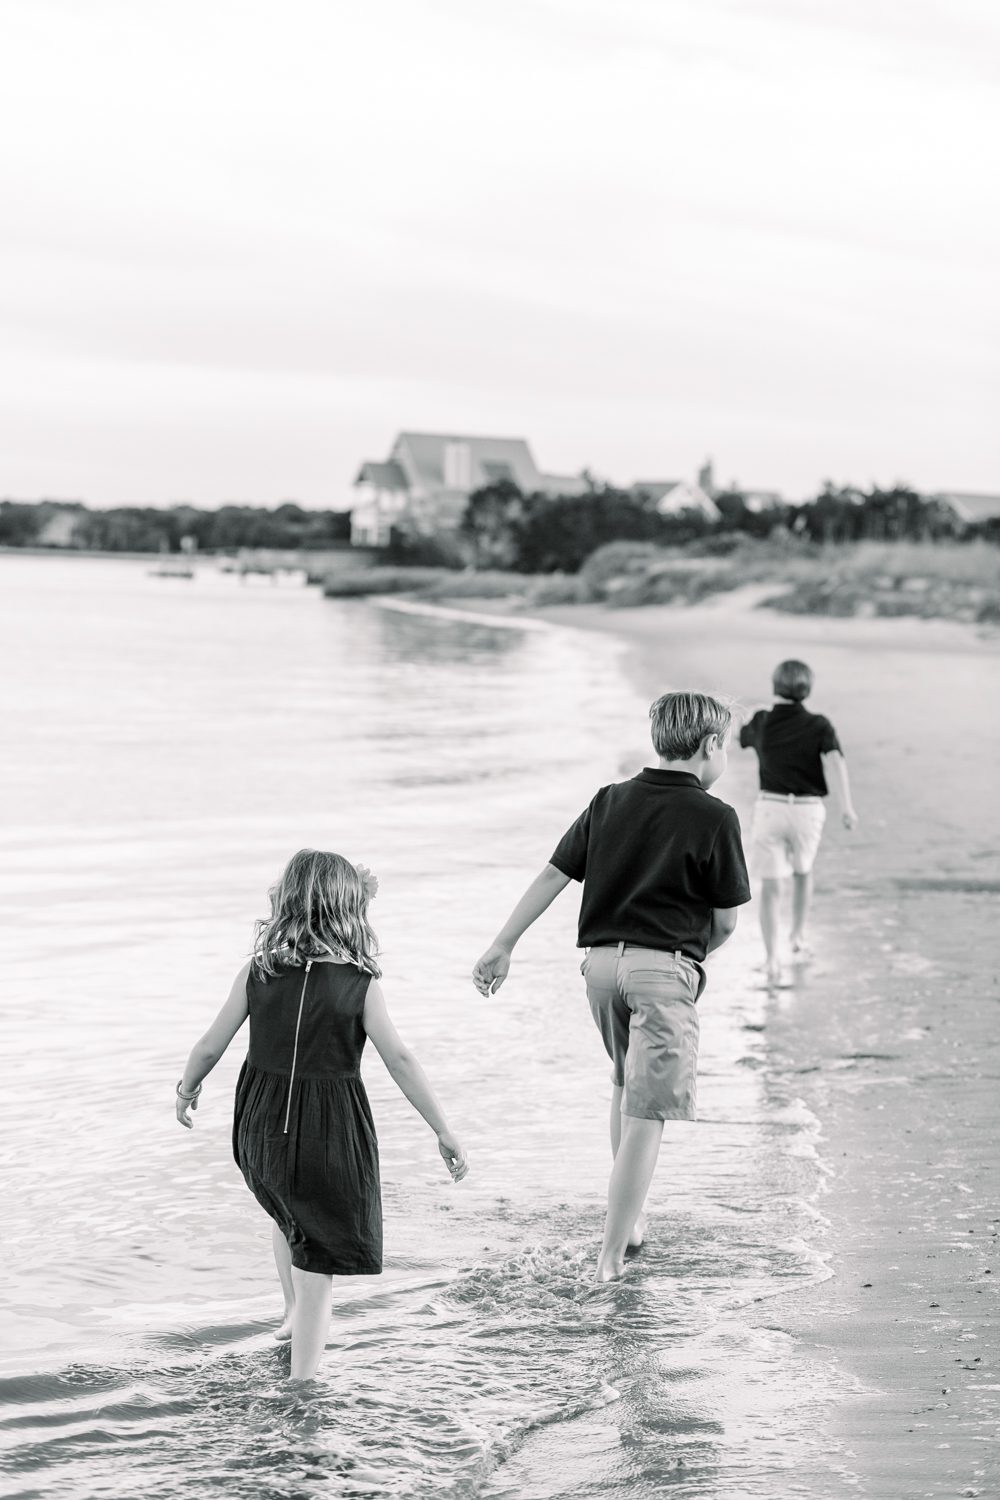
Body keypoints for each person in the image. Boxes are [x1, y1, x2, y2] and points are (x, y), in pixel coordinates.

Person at [472, 692, 751, 1283]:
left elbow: (554, 873)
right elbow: (725, 921)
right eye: (723, 744)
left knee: (626, 1089)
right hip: (663, 969)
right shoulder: (715, 816)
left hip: (599, 968)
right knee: (649, 1113)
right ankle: (610, 1258)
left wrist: (503, 944)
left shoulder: (609, 799)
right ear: (709, 745)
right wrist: (690, 963)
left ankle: (634, 1221)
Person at [175, 848, 468, 1381]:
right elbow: (400, 1059)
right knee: (319, 1255)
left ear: (285, 903)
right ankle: (303, 1380)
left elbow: (210, 1047)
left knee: (289, 1213)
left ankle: (289, 1316)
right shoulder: (359, 985)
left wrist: (186, 1088)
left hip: (261, 1125)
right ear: (351, 911)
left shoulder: (257, 973)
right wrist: (443, 1129)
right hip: (328, 1129)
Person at [739, 659, 859, 986]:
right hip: (808, 810)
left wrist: (754, 715)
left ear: (775, 685)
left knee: (771, 885)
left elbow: (741, 737)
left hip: (771, 808)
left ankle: (771, 958)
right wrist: (847, 807)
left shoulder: (763, 721)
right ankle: (797, 937)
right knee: (803, 872)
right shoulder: (820, 724)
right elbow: (837, 761)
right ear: (807, 688)